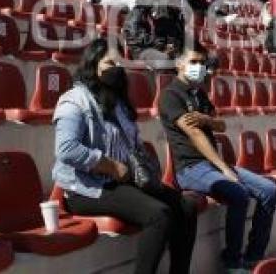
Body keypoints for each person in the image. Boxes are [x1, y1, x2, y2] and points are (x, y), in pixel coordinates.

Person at [52, 39, 197, 274]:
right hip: (86, 188)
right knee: (159, 215)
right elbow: (66, 149)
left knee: (187, 206)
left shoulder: (118, 103)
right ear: (93, 64)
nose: (116, 68)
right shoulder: (74, 99)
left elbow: (133, 144)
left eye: (120, 63)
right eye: (110, 63)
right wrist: (109, 165)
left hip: (122, 182)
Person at [159, 44, 276, 273]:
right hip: (190, 169)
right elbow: (193, 134)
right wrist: (224, 168)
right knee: (239, 194)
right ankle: (231, 262)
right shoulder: (170, 95)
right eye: (194, 62)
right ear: (179, 64)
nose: (199, 67)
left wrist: (207, 120)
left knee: (269, 190)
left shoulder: (199, 93)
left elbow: (220, 124)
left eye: (202, 63)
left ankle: (253, 257)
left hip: (212, 165)